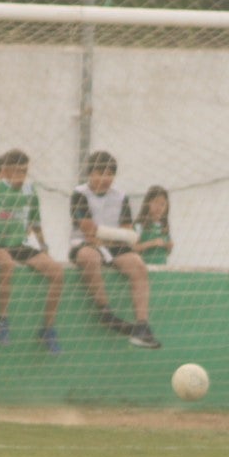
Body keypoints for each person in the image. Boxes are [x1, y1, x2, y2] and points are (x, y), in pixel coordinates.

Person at [0, 149, 64, 354]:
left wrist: (43, 247)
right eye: (15, 171)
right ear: (4, 171)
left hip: (18, 245)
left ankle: (48, 328)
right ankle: (2, 322)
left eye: (24, 171)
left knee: (57, 272)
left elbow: (36, 223)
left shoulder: (30, 191)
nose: (20, 176)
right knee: (6, 264)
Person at [69, 150, 161, 349]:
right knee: (89, 256)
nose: (105, 178)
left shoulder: (121, 196)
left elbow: (127, 232)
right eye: (100, 173)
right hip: (85, 244)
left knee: (138, 265)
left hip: (113, 246)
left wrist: (110, 237)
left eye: (109, 174)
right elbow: (88, 230)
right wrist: (113, 235)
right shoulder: (79, 194)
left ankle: (142, 327)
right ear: (90, 174)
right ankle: (106, 312)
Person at [133, 184, 173, 266]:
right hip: (144, 268)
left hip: (162, 269)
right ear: (147, 203)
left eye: (163, 204)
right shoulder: (139, 225)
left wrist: (169, 247)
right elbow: (132, 248)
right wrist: (152, 243)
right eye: (156, 202)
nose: (159, 207)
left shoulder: (164, 227)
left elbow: (166, 253)